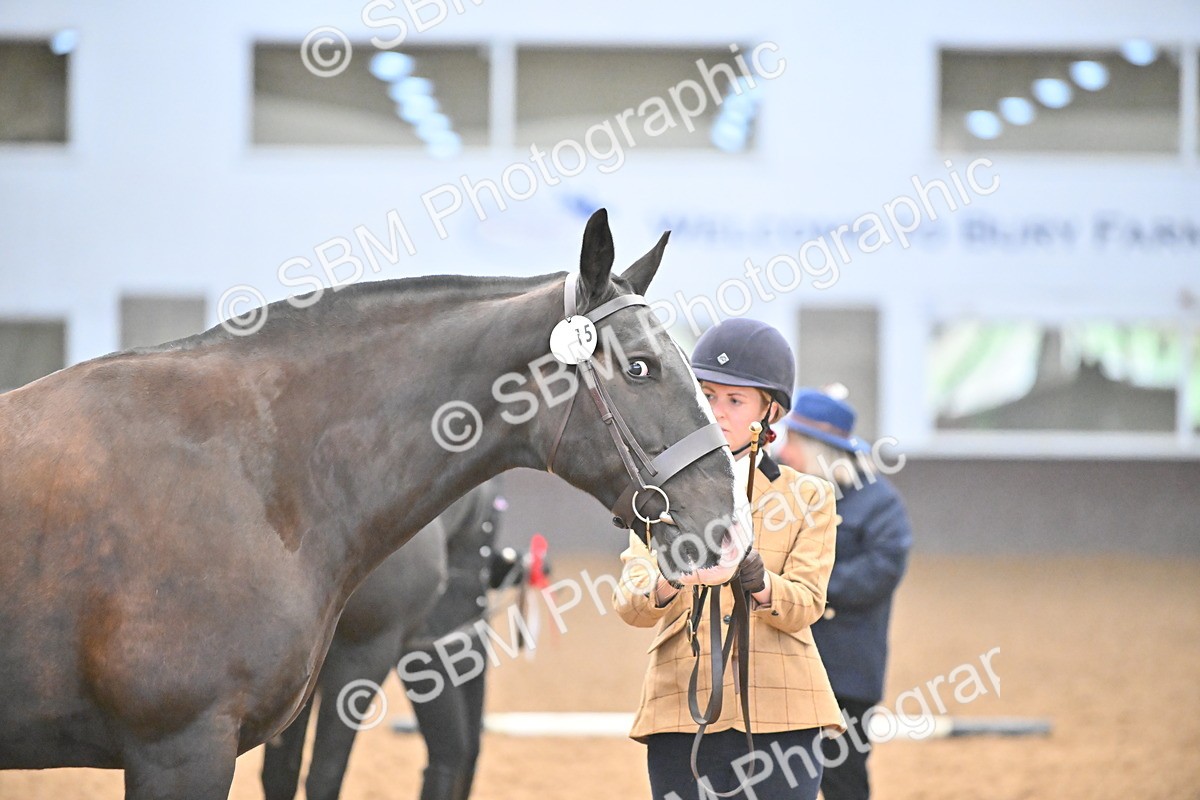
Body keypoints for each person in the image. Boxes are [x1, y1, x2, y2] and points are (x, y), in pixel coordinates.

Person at [613, 318, 843, 800]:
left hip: (785, 711)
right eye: (707, 395)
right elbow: (632, 606)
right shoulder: (657, 496)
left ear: (771, 412)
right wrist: (670, 578)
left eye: (734, 400)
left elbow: (805, 606)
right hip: (681, 708)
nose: (715, 412)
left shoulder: (810, 497)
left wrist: (756, 577)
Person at [776, 387, 913, 800]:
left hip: (847, 673)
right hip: (785, 667)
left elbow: (881, 570)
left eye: (796, 443)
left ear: (821, 451)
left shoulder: (879, 505)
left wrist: (807, 584)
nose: (786, 453)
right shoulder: (785, 498)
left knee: (844, 779)